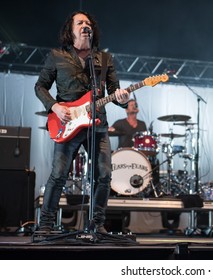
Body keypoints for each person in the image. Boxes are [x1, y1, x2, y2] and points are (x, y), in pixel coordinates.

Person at [35, 11, 130, 233]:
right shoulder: (57, 56)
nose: (85, 25)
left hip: (98, 124)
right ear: (71, 30)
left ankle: (97, 225)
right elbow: (40, 86)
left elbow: (114, 91)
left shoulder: (104, 59)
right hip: (67, 123)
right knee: (58, 175)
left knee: (104, 176)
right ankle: (45, 225)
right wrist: (55, 107)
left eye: (88, 23)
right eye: (80, 23)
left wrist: (123, 100)